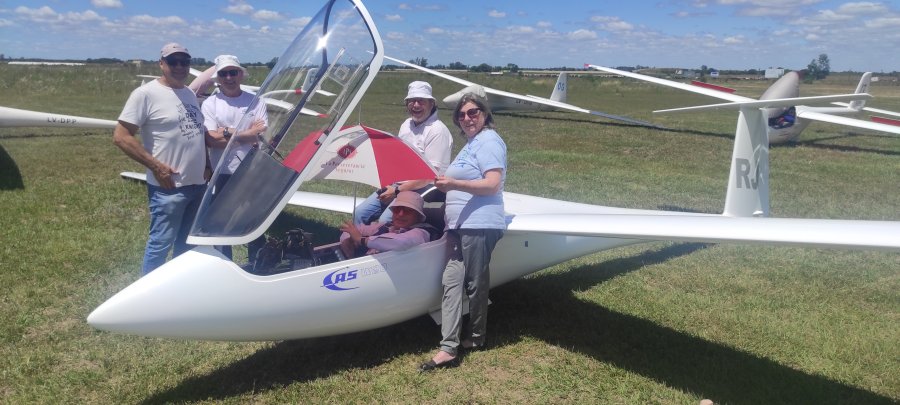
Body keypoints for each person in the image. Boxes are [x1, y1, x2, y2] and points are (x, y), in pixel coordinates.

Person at [419, 92, 507, 372]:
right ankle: (448, 348)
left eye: (473, 112)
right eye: (462, 114)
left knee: (474, 282)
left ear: (485, 114)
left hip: (479, 224)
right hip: (460, 226)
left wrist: (453, 184)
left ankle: (478, 337)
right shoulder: (472, 143)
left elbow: (493, 184)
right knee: (451, 281)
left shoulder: (490, 141)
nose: (467, 118)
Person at [112, 43, 209, 275]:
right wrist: (156, 167)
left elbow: (197, 133)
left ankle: (177, 289)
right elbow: (121, 136)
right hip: (169, 188)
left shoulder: (188, 94)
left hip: (198, 185)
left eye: (184, 61)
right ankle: (146, 300)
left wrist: (206, 164)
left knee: (187, 245)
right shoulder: (145, 94)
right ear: (161, 64)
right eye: (172, 61)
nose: (179, 66)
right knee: (160, 245)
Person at [353, 81, 452, 225]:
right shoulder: (406, 125)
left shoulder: (438, 130)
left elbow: (430, 176)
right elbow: (398, 159)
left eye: (421, 101)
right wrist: (388, 183)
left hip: (425, 189)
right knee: (359, 213)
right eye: (411, 101)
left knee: (386, 220)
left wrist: (396, 191)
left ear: (431, 104)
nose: (416, 105)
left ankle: (380, 245)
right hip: (398, 184)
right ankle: (358, 245)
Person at [201, 54, 268, 260]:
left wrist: (227, 133)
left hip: (250, 169)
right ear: (218, 78)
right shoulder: (210, 104)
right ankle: (224, 262)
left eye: (233, 72)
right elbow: (211, 140)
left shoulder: (255, 101)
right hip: (221, 171)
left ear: (240, 75)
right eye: (224, 74)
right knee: (222, 221)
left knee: (253, 218)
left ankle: (258, 262)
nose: (229, 77)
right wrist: (246, 135)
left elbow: (261, 134)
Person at [338, 191, 439, 259]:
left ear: (418, 216)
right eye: (397, 209)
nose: (400, 214)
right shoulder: (386, 226)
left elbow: (400, 242)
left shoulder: (421, 233)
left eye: (408, 210)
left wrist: (361, 240)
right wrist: (348, 240)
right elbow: (356, 229)